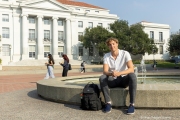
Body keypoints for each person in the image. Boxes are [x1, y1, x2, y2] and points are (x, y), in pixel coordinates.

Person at [99, 37, 137, 115]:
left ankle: (132, 104)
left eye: (113, 44)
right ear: (108, 46)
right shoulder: (106, 56)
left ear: (117, 44)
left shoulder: (125, 53)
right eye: (110, 45)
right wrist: (111, 73)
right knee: (102, 77)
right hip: (112, 80)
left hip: (124, 80)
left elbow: (131, 69)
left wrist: (120, 73)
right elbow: (105, 71)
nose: (112, 46)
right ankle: (108, 103)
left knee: (132, 76)